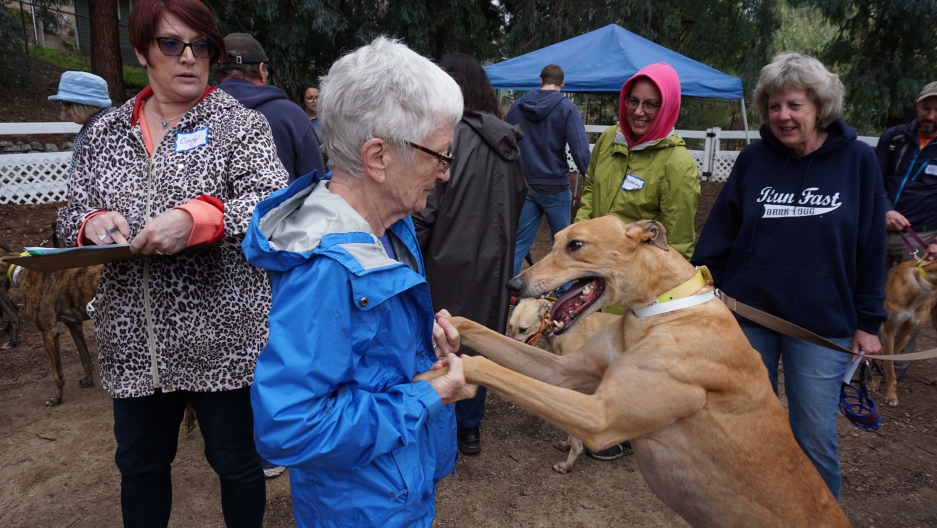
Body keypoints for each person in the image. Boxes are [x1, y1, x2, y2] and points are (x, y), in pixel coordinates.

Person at [55, 0, 287, 525]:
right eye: (171, 44)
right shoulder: (105, 133)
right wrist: (90, 222)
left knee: (235, 462)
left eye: (201, 45)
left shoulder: (240, 126)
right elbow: (68, 215)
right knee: (139, 467)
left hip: (223, 335)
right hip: (135, 339)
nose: (189, 56)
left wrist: (199, 218)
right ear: (142, 52)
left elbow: (274, 207)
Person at [243, 37, 476, 528]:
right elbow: (289, 427)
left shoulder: (391, 227)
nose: (444, 173)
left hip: (392, 488)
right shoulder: (326, 270)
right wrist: (427, 396)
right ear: (378, 157)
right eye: (438, 155)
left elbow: (364, 355)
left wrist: (424, 345)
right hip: (358, 509)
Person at [692, 52, 887, 501]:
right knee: (746, 426)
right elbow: (720, 235)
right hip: (748, 315)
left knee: (813, 435)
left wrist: (868, 322)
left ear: (820, 105)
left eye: (794, 105)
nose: (783, 116)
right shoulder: (754, 159)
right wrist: (702, 291)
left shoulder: (857, 162)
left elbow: (872, 245)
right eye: (775, 106)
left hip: (821, 326)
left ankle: (821, 516)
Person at [412, 53, 527, 456]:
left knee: (443, 338)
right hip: (495, 263)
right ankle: (471, 428)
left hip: (446, 260)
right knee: (478, 338)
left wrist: (405, 250)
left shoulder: (448, 138)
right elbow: (518, 200)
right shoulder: (509, 142)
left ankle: (443, 426)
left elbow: (426, 207)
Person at [575, 62, 700, 260]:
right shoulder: (610, 138)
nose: (638, 111)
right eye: (633, 100)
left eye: (650, 104)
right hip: (593, 260)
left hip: (635, 276)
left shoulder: (678, 164)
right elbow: (591, 190)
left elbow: (677, 245)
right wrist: (579, 237)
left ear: (668, 107)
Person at [874, 81, 937, 377]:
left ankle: (894, 366)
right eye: (927, 107)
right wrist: (885, 209)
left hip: (920, 236)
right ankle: (861, 353)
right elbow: (875, 178)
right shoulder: (894, 137)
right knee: (871, 291)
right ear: (917, 106)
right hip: (879, 227)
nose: (932, 115)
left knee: (914, 303)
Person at [506, 64, 590, 276]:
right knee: (564, 245)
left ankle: (501, 294)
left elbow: (505, 143)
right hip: (554, 185)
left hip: (525, 185)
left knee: (519, 244)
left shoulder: (516, 107)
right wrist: (592, 177)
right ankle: (562, 296)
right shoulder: (567, 109)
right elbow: (579, 150)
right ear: (562, 84)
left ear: (541, 80)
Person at [215, 33, 325, 185]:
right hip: (284, 207)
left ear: (219, 72)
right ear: (262, 71)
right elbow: (317, 183)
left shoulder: (196, 117)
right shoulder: (291, 115)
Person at [48, 71, 114, 175]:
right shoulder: (95, 125)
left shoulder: (105, 131)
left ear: (85, 105)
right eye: (62, 102)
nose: (63, 107)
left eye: (67, 102)